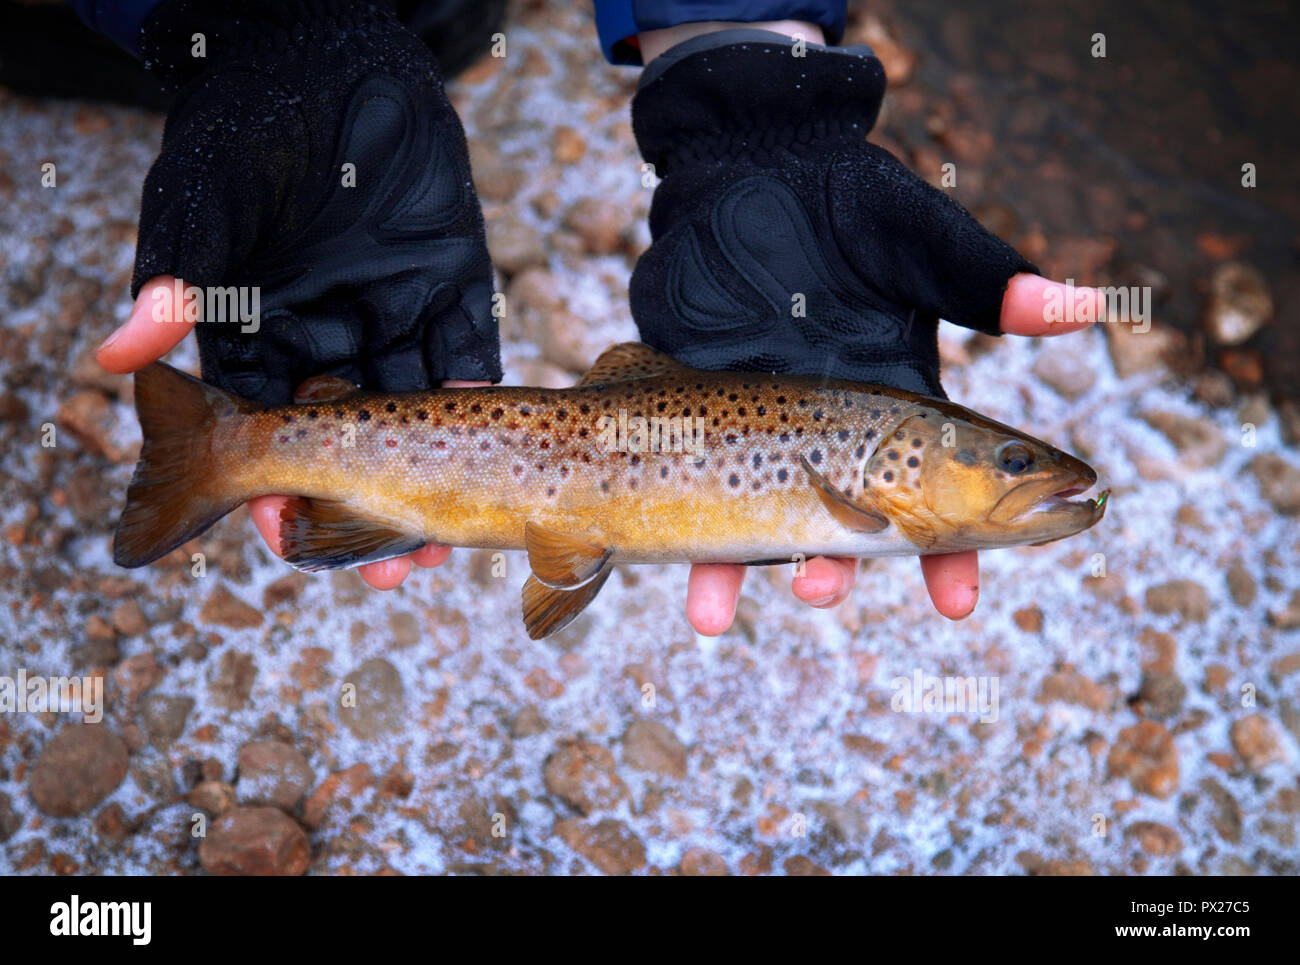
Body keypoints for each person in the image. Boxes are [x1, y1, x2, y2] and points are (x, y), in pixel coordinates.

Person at [82, 0, 1103, 635]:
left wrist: (745, 64)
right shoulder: (864, 475)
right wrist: (253, 25)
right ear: (898, 465)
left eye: (1012, 462)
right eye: (1013, 463)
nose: (1037, 475)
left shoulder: (874, 465)